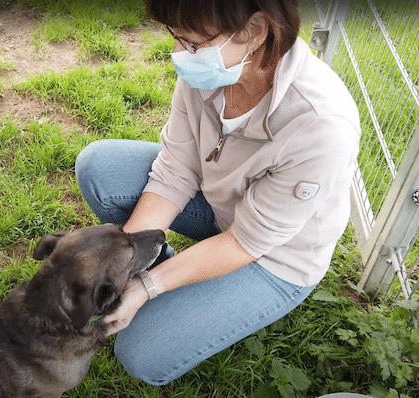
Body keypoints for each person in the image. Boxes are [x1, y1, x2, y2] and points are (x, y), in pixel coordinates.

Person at [74, 0, 360, 386]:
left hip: (273, 256)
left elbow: (245, 242)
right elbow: (175, 170)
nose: (180, 55)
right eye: (176, 38)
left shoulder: (321, 125)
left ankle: (173, 281)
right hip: (218, 204)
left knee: (142, 353)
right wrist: (123, 261)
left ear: (256, 30)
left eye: (193, 44)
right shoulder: (213, 71)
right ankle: (164, 263)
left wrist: (145, 286)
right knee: (100, 168)